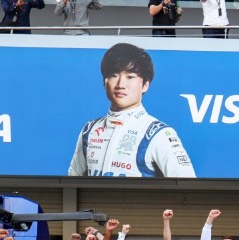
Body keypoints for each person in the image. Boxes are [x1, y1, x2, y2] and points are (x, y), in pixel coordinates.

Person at [68, 43, 195, 178]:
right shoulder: (90, 130)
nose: (121, 85)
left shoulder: (158, 134)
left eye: (130, 77)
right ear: (104, 82)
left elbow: (187, 189)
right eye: (114, 75)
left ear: (145, 85)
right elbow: (72, 183)